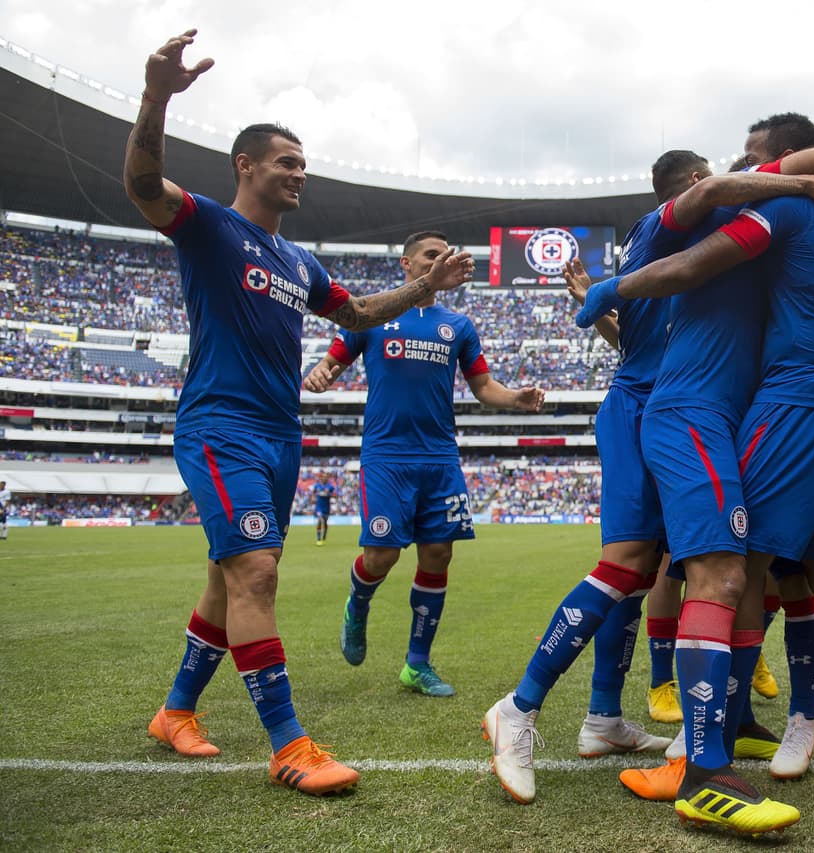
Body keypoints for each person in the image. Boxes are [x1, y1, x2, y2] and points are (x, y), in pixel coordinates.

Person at [126, 30, 473, 797]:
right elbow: (145, 184)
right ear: (245, 165)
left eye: (304, 165)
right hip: (220, 425)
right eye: (287, 162)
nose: (300, 174)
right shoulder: (213, 226)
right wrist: (155, 98)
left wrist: (424, 287)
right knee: (255, 570)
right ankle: (289, 744)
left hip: (281, 433)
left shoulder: (298, 261)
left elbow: (356, 314)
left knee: (229, 581)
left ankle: (176, 711)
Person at [483, 148, 814, 808]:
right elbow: (653, 310)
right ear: (694, 184)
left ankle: (609, 719)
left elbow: (640, 333)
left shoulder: (729, 249)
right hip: (660, 407)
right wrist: (796, 178)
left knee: (659, 569)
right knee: (640, 566)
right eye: (714, 177)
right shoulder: (669, 225)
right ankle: (529, 708)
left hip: (684, 402)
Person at [575, 118, 814, 832]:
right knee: (664, 568)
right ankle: (642, 736)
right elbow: (671, 285)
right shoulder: (688, 226)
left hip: (746, 410)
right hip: (681, 412)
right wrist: (607, 292)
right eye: (720, 171)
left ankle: (714, 735)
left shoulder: (775, 226)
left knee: (751, 572)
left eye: (745, 159)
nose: (734, 172)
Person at [304, 230, 545, 698]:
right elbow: (332, 361)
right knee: (382, 556)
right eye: (431, 255)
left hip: (439, 456)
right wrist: (322, 372)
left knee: (438, 555)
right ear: (407, 265)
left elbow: (483, 386)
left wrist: (515, 398)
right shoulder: (372, 316)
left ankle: (417, 663)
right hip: (387, 455)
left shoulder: (458, 325)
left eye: (445, 254)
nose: (441, 261)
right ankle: (358, 601)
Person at [311, 475, 337, 546]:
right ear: (321, 478)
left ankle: (324, 537)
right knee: (319, 520)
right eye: (323, 477)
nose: (324, 478)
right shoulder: (317, 486)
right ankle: (319, 539)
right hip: (319, 507)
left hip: (326, 507)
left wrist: (329, 493)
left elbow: (335, 495)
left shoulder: (330, 487)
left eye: (326, 477)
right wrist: (313, 499)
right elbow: (313, 493)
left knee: (325, 522)